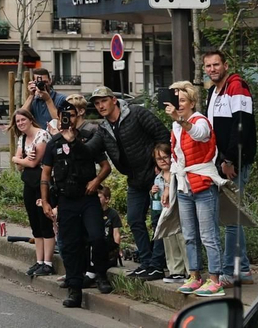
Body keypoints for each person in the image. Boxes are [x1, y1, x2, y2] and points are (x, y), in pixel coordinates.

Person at [91, 85, 170, 280]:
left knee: (158, 220)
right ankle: (146, 262)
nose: (101, 106)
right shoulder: (103, 129)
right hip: (134, 179)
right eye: (97, 103)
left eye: (104, 101)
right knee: (135, 219)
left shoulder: (136, 113)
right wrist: (69, 138)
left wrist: (160, 164)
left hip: (154, 175)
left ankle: (157, 265)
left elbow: (162, 134)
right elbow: (90, 148)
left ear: (113, 100)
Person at [42, 96, 112, 308]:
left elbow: (105, 166)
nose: (68, 120)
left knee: (97, 237)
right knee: (71, 246)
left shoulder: (88, 137)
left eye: (71, 116)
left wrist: (96, 181)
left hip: (88, 197)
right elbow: (45, 175)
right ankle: (74, 289)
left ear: (77, 116)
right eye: (64, 116)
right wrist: (46, 201)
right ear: (59, 117)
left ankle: (100, 274)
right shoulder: (53, 143)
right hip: (66, 199)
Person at [166, 80, 226, 297]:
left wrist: (180, 120)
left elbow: (201, 135)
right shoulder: (175, 125)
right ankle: (194, 275)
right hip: (184, 186)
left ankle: (215, 279)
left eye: (182, 100)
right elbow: (175, 158)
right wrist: (168, 186)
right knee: (190, 235)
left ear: (192, 102)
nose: (178, 104)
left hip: (203, 184)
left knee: (209, 235)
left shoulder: (200, 120)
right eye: (176, 100)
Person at [203, 49, 256, 284]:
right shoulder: (213, 92)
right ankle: (242, 269)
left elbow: (242, 126)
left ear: (226, 65)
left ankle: (228, 271)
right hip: (219, 162)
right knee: (230, 217)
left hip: (233, 162)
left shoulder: (237, 86)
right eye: (208, 66)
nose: (212, 69)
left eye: (216, 65)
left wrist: (230, 160)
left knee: (231, 220)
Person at [12, 107, 54, 277]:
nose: (21, 123)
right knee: (34, 222)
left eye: (23, 120)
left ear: (30, 119)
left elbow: (33, 163)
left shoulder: (42, 135)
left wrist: (19, 159)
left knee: (45, 221)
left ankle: (48, 262)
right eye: (18, 121)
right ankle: (39, 260)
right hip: (28, 183)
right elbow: (18, 163)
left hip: (43, 184)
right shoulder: (22, 139)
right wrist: (18, 159)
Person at [152, 143, 189, 281]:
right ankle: (175, 270)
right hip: (164, 213)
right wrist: (153, 193)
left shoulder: (176, 173)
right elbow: (157, 200)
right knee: (169, 242)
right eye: (158, 158)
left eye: (165, 157)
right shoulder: (158, 177)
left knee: (183, 240)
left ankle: (191, 270)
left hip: (179, 213)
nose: (162, 161)